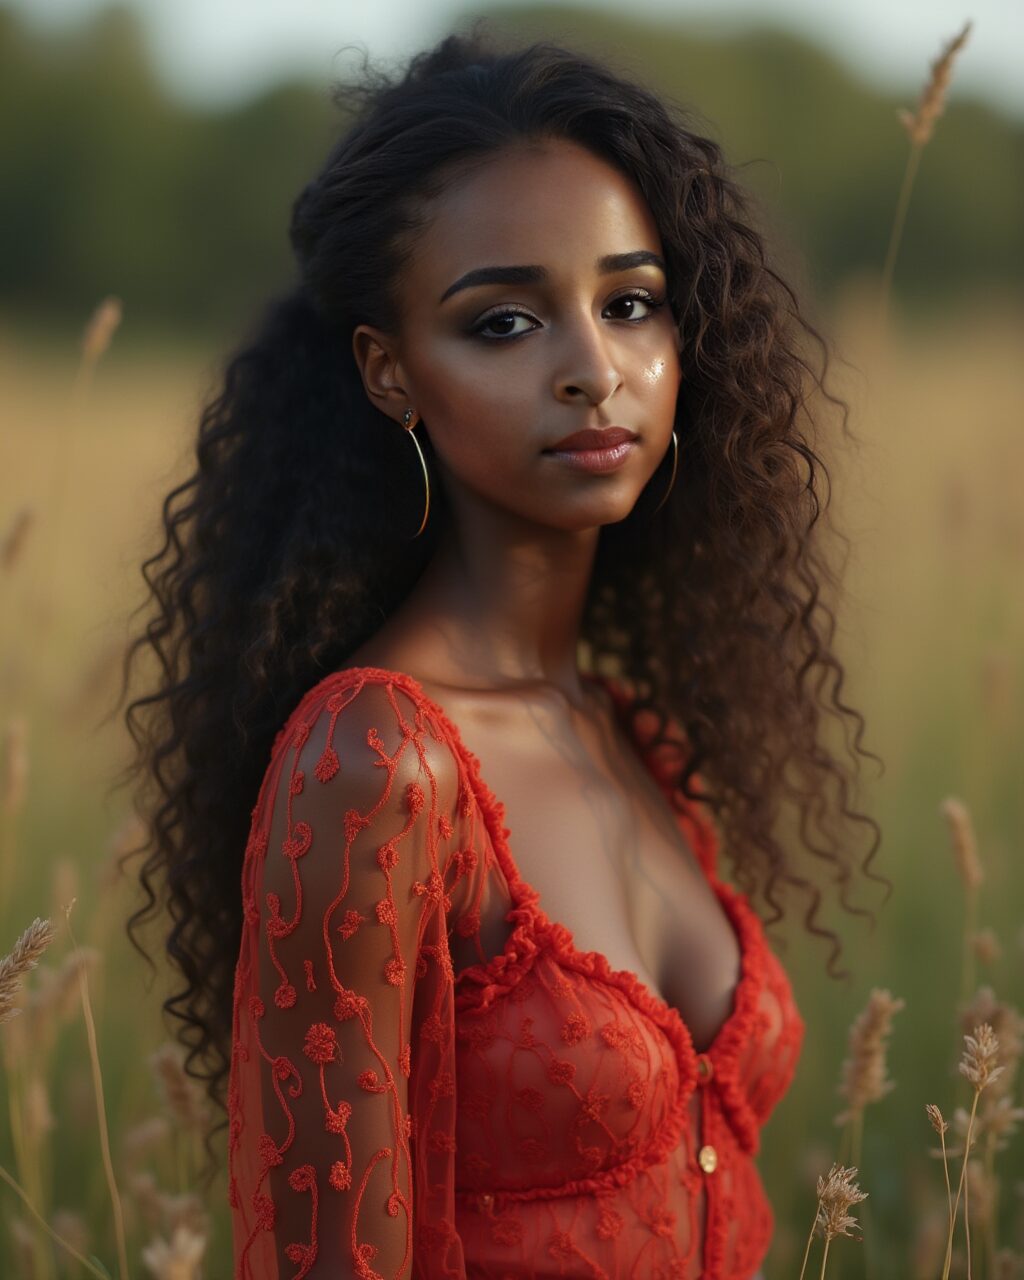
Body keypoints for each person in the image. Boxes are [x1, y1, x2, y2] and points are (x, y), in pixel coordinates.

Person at [119, 22, 886, 1279]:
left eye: (630, 303)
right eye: (504, 323)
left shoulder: (631, 729)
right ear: (389, 373)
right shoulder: (373, 764)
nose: (595, 369)